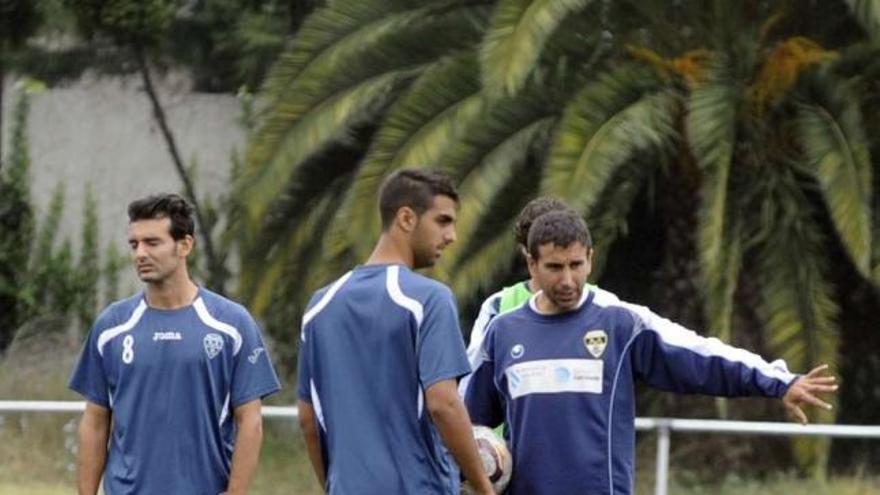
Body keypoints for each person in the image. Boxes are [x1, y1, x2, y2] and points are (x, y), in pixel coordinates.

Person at [463, 210, 837, 495]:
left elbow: (699, 355)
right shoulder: (503, 331)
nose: (567, 279)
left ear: (590, 258)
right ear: (532, 265)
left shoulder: (622, 324)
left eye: (576, 265)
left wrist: (777, 383)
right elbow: (464, 418)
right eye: (554, 267)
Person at [296, 169, 494, 495]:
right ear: (406, 218)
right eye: (443, 221)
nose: (452, 236)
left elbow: (307, 418)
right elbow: (443, 404)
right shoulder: (428, 299)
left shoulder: (320, 306)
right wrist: (485, 488)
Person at [69, 193, 281, 495]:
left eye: (152, 243)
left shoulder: (231, 324)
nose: (139, 253)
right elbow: (95, 421)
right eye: (134, 244)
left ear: (185, 245)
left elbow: (250, 421)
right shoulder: (111, 326)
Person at [459, 197, 571, 396]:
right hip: (511, 427)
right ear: (526, 253)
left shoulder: (604, 304)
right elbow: (471, 381)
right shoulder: (498, 305)